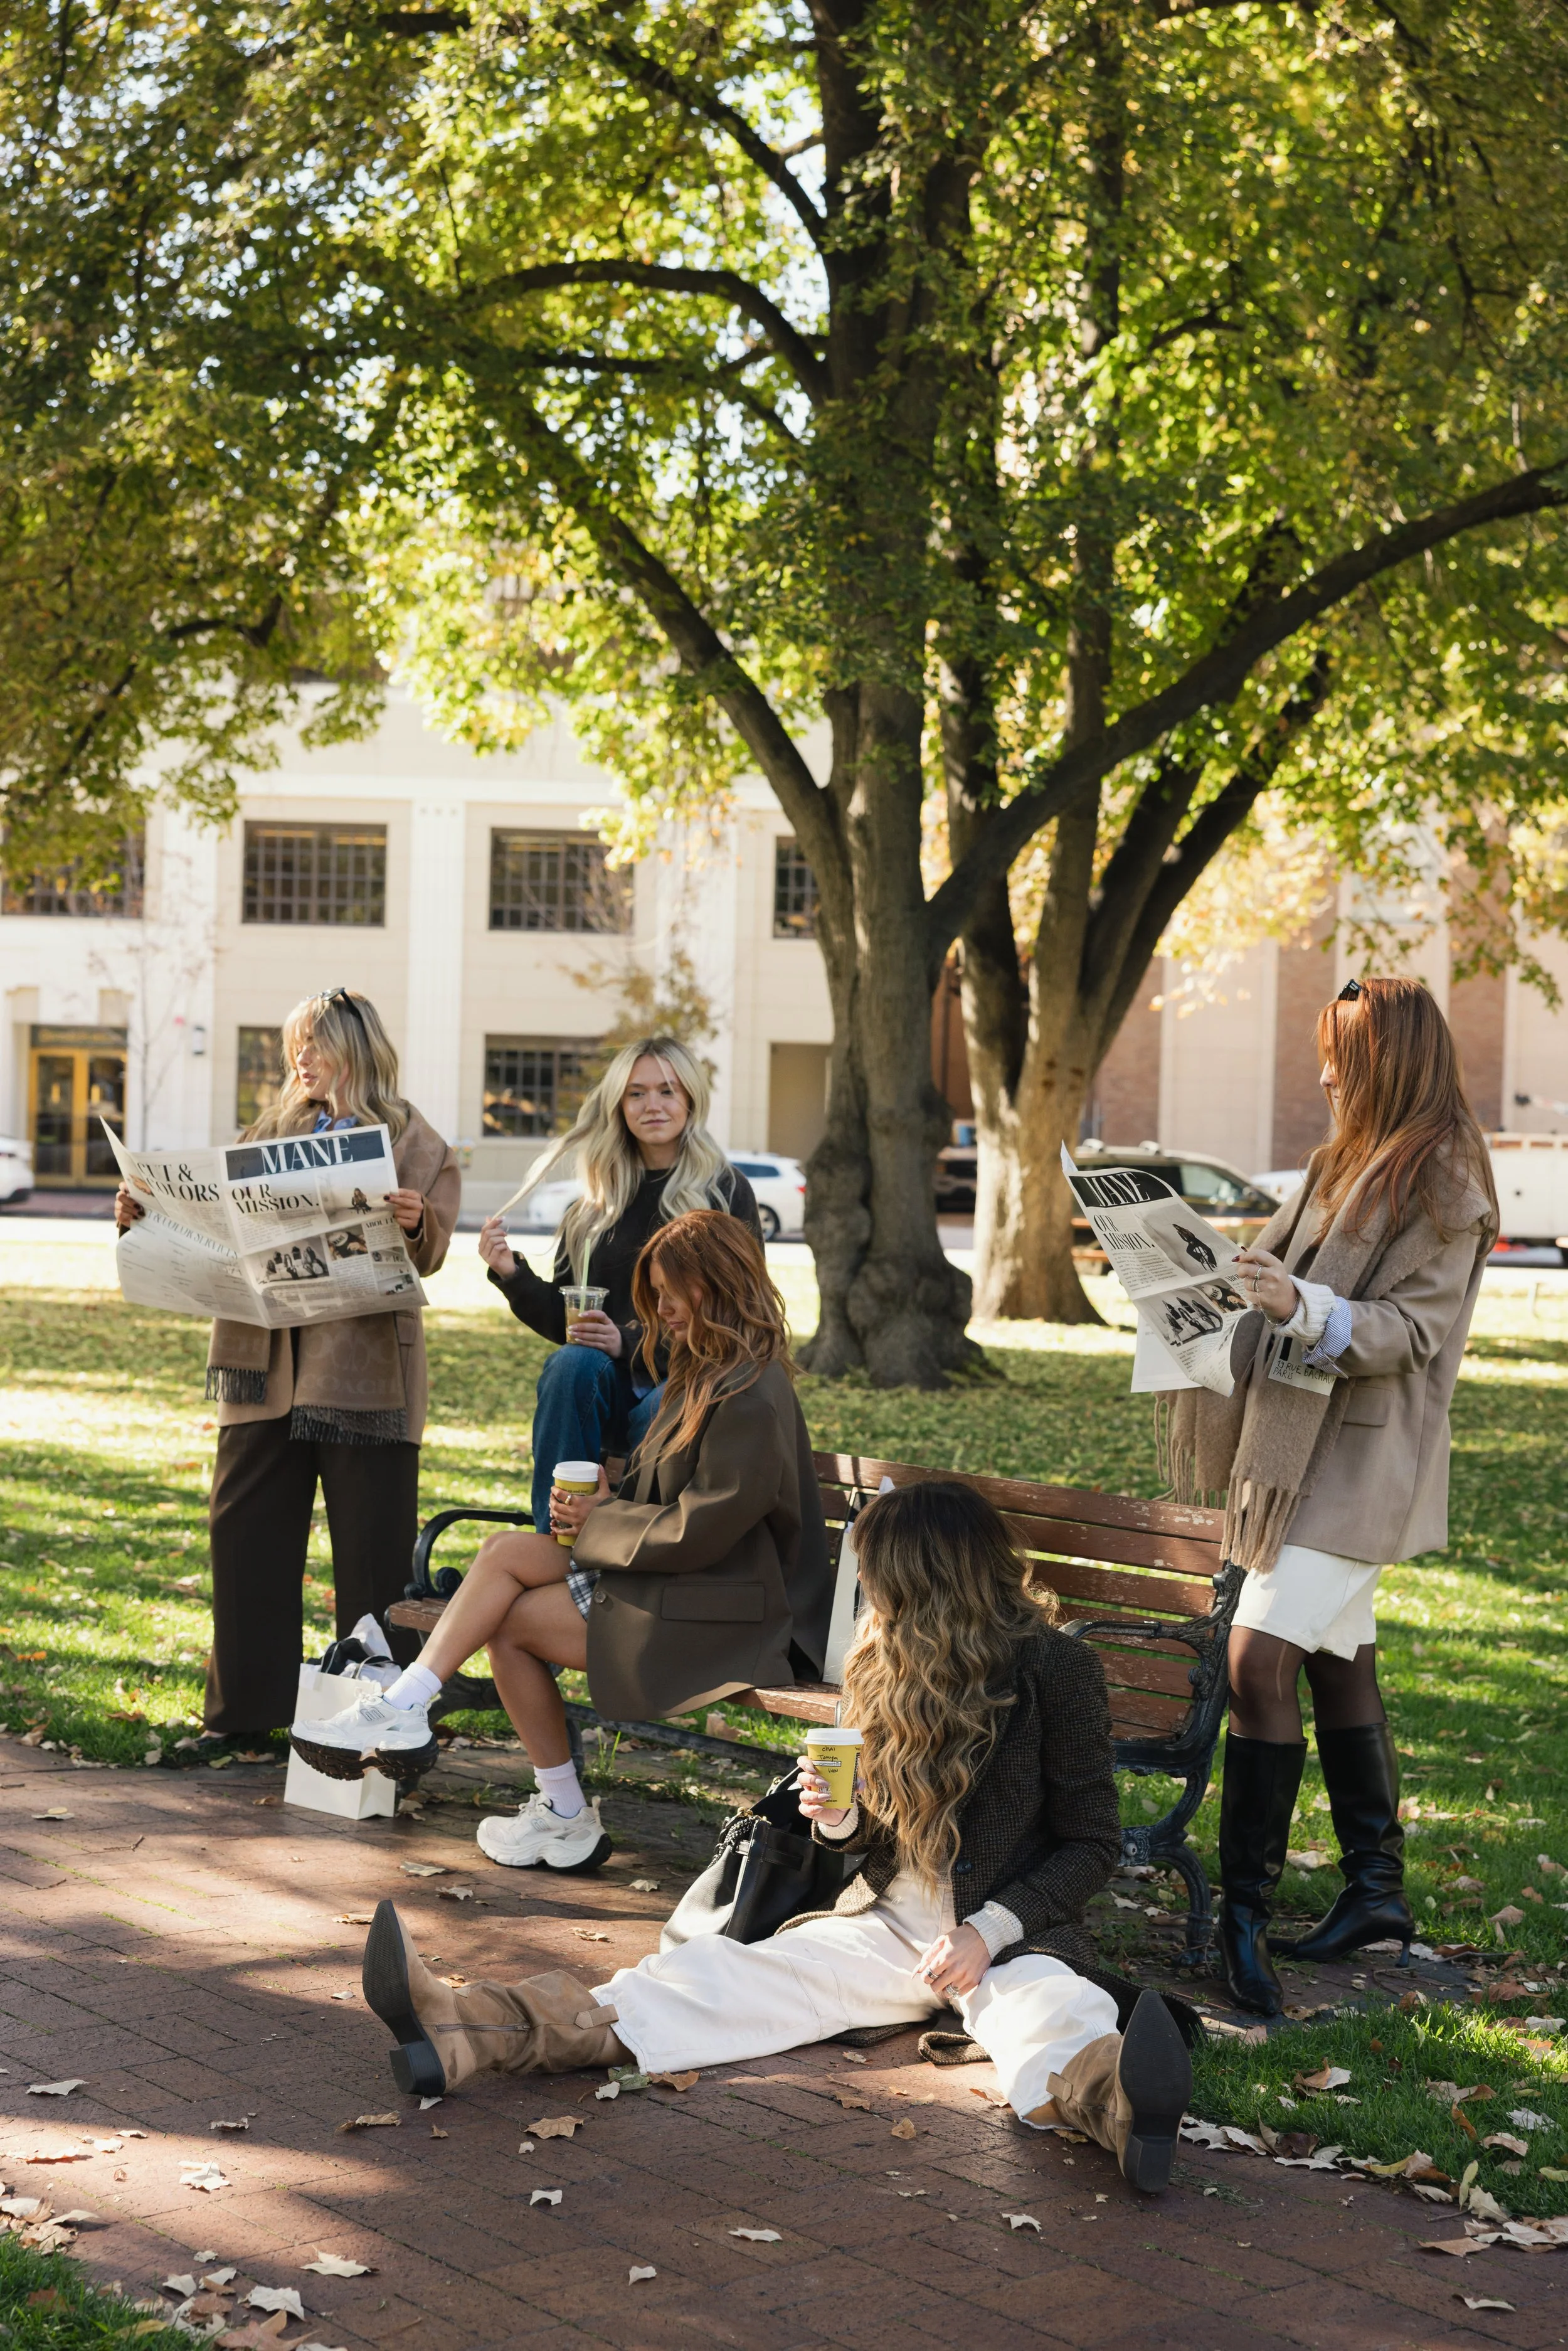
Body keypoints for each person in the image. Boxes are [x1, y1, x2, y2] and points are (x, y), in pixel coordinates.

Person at [353, 1482, 1195, 2194]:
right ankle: (468, 2029)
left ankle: (1123, 2112)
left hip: (1009, 1932)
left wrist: (991, 1931)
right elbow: (868, 1843)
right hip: (887, 1932)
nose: (863, 1596)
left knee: (1051, 2009)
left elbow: (1093, 1845)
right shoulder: (882, 1663)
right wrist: (838, 1819)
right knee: (711, 1975)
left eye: (875, 1580)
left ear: (926, 1582)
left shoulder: (1056, 1671)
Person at [291, 1209, 833, 1869]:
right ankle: (412, 1707)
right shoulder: (703, 1372)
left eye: (669, 1293)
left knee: (511, 1625)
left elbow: (707, 1527)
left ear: (715, 1285)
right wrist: (605, 1497)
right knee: (502, 1555)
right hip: (684, 1580)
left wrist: (600, 1521)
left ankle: (556, 1806)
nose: (659, 1310)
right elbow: (668, 1490)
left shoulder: (748, 1389)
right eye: (655, 1294)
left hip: (729, 1609)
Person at [1163, 976, 1498, 2014]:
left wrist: (1301, 1302)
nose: (1322, 1074)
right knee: (1340, 1664)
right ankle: (1376, 1894)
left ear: (1389, 1059)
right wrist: (1213, 1281)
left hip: (1358, 1466)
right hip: (1290, 1455)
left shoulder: (1446, 1179)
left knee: (1258, 1659)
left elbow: (1411, 1329)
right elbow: (1270, 1276)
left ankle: (1245, 1922)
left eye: (1340, 1056)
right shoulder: (1333, 1162)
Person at [114, 987, 460, 1748]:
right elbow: (207, 1226)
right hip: (261, 1368)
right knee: (245, 1541)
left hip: (364, 1377)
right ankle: (241, 1721)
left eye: (315, 1043)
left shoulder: (412, 1138)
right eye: (294, 1046)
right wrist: (146, 1215)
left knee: (372, 1557)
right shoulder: (264, 1132)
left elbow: (433, 1249)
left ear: (356, 1048)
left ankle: (370, 1732)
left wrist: (415, 1220)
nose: (299, 1058)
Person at [477, 1038, 760, 1534]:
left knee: (660, 1400)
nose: (653, 1105)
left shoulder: (724, 1191)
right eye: (636, 1094)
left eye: (667, 1091)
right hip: (603, 1392)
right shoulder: (593, 1206)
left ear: (690, 1099)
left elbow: (742, 1312)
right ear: (619, 1106)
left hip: (689, 1382)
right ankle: (556, 1535)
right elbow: (570, 1323)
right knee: (570, 1364)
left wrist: (628, 1342)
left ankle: (626, 1542)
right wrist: (511, 1274)